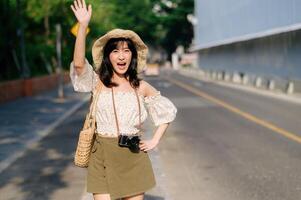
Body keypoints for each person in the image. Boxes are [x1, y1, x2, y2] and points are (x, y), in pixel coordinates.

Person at [70, 0, 177, 200]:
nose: (121, 56)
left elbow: (166, 111)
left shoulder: (141, 87)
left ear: (132, 56)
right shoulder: (97, 83)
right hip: (101, 153)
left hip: (133, 155)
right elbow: (78, 66)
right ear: (108, 56)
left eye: (126, 50)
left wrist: (155, 140)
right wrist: (83, 26)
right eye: (115, 51)